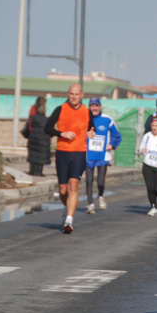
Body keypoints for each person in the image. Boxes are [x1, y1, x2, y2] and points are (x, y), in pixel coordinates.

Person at [44, 83, 95, 234]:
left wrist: (92, 133)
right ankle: (67, 206)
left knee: (73, 186)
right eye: (71, 94)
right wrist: (62, 134)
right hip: (62, 152)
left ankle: (69, 220)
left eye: (77, 94)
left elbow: (92, 128)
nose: (74, 97)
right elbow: (47, 128)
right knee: (63, 189)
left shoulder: (87, 112)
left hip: (79, 153)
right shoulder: (60, 109)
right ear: (68, 94)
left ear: (82, 95)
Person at [85, 98, 122, 214]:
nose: (94, 108)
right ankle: (90, 204)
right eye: (92, 106)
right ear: (89, 107)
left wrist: (112, 145)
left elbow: (117, 135)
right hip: (88, 155)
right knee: (89, 181)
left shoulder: (107, 120)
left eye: (96, 106)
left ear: (100, 107)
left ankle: (100, 196)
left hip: (103, 156)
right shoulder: (84, 119)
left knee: (100, 181)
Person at [26, 96, 51, 176]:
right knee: (40, 156)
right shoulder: (45, 119)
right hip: (42, 138)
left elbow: (30, 123)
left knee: (34, 155)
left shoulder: (33, 115)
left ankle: (33, 171)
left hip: (33, 137)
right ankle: (38, 172)